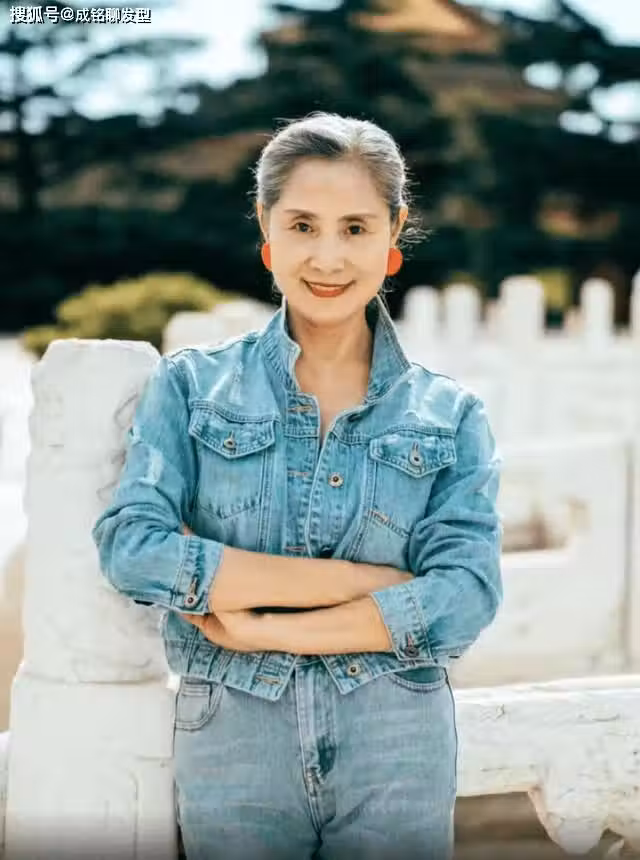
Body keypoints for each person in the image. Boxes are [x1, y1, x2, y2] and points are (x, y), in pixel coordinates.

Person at [92, 112, 503, 860]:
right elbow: (134, 548)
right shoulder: (191, 389)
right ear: (266, 227)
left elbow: (466, 597)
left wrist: (265, 628)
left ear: (393, 233)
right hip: (233, 737)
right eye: (304, 225)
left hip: (397, 736)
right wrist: (360, 584)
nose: (328, 257)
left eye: (355, 228)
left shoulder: (451, 415)